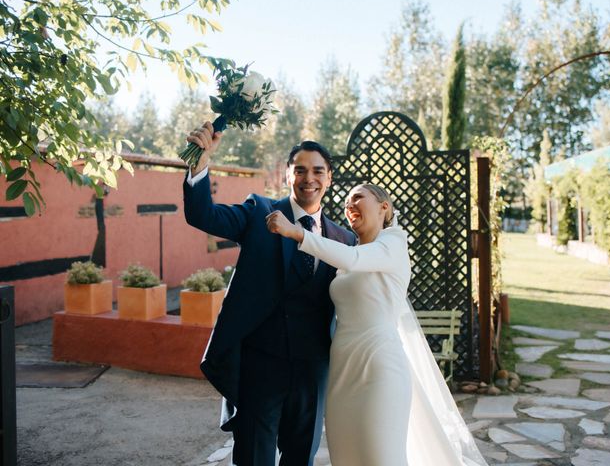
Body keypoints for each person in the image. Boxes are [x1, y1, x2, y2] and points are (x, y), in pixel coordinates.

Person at [266, 183, 488, 466]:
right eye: (346, 202)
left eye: (358, 197)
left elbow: (355, 259)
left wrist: (297, 232)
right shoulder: (349, 251)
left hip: (379, 369)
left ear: (385, 207)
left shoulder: (393, 243)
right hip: (342, 373)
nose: (350, 205)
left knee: (380, 458)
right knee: (346, 459)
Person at [182, 121, 356, 466]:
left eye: (318, 171)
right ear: (286, 175)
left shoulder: (343, 239)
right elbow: (203, 214)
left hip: (313, 369)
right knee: (252, 458)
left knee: (301, 457)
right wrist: (199, 164)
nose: (310, 178)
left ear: (330, 178)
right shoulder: (258, 212)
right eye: (301, 170)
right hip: (260, 366)